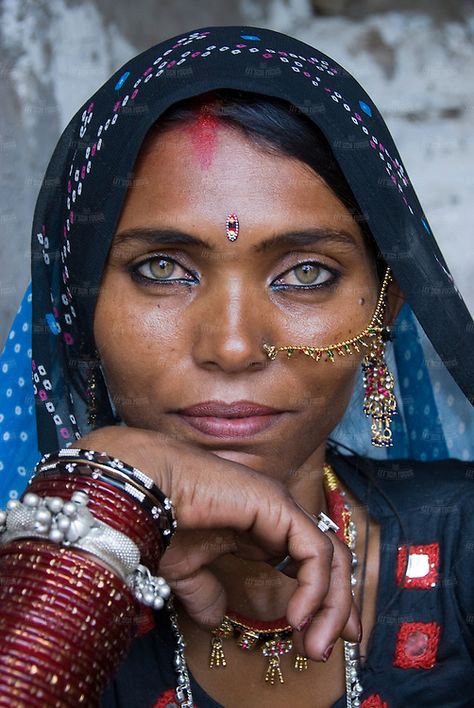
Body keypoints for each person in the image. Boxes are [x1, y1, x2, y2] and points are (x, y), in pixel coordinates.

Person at [0, 24, 473, 708]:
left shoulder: (459, 548)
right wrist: (101, 510)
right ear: (79, 308)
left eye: (306, 272)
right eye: (162, 268)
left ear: (386, 308)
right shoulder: (27, 585)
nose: (232, 347)